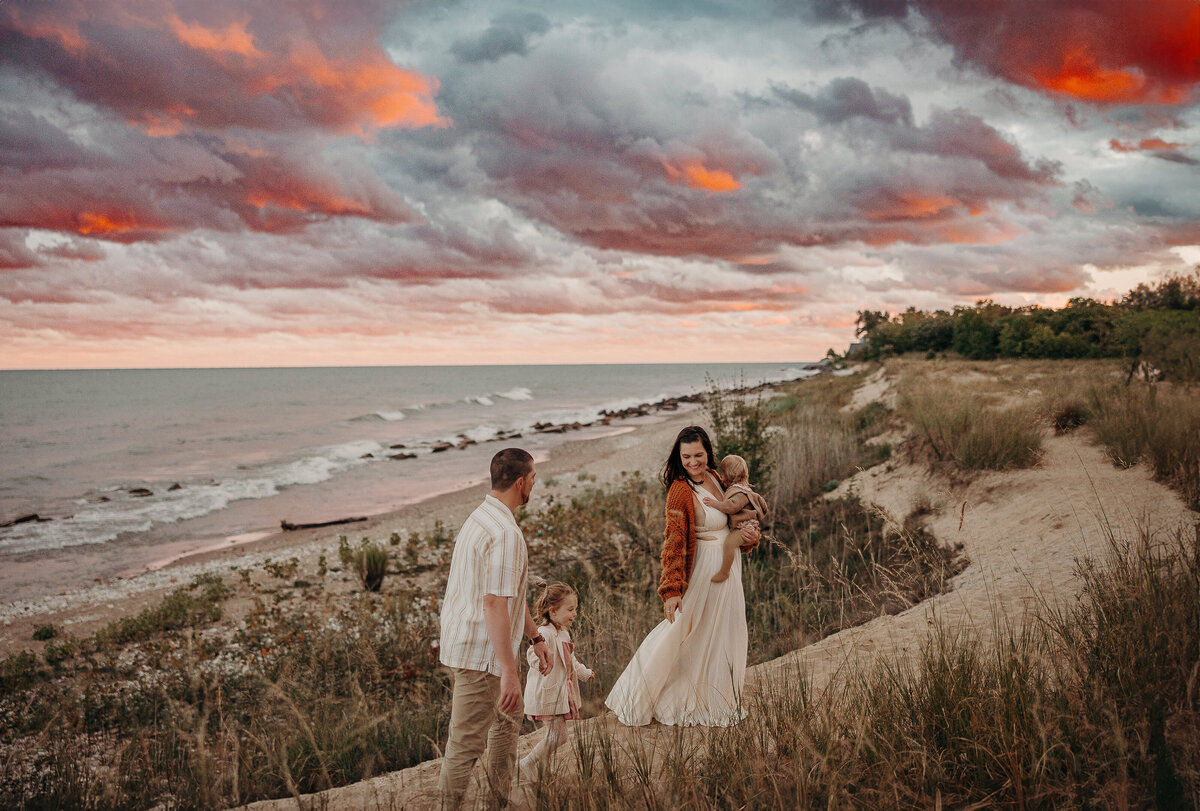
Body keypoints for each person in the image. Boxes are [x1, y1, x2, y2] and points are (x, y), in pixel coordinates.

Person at [604, 425, 760, 727]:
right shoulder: (680, 490)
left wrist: (749, 536)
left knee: (723, 630)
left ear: (708, 453)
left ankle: (717, 696)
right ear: (679, 456)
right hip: (702, 568)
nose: (693, 462)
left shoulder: (718, 477)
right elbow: (673, 543)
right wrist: (671, 590)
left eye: (698, 455)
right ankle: (642, 692)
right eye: (686, 456)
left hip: (727, 567)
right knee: (684, 630)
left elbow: (737, 517)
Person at [437, 448, 551, 810]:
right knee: (465, 745)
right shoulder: (505, 534)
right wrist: (508, 672)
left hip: (472, 642)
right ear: (520, 483)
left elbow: (510, 596)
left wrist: (535, 637)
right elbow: (494, 603)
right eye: (533, 479)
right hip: (481, 653)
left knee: (508, 718)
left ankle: (499, 799)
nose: (534, 484)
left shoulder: (480, 517)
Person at [518, 580, 594, 779]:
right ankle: (528, 762)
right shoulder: (545, 633)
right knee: (559, 736)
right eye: (570, 609)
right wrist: (541, 663)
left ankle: (542, 766)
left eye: (575, 609)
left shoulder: (564, 634)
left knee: (557, 736)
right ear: (552, 611)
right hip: (547, 692)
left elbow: (571, 660)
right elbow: (532, 654)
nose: (575, 614)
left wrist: (584, 672)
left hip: (559, 692)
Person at [702, 454, 768, 584]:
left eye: (723, 473)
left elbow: (731, 507)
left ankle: (724, 572)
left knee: (729, 543)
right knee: (730, 543)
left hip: (743, 527)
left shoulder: (739, 492)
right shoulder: (740, 488)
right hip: (742, 527)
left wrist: (714, 503)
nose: (721, 476)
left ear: (728, 474)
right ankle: (725, 571)